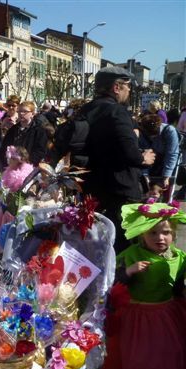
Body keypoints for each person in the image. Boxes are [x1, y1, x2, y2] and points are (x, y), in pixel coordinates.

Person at [103, 202, 185, 369]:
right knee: (140, 360)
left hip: (166, 315)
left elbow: (178, 285)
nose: (160, 238)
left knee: (167, 357)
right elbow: (110, 281)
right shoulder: (132, 254)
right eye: (153, 233)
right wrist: (129, 272)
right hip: (139, 317)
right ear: (142, 236)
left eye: (166, 232)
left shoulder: (179, 256)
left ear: (173, 234)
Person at [80, 66, 156, 252]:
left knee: (95, 244)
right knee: (121, 246)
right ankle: (119, 281)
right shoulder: (117, 111)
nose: (129, 90)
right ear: (116, 87)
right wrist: (143, 157)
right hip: (120, 190)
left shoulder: (85, 109)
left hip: (92, 188)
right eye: (127, 86)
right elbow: (130, 152)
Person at [0, 146, 34, 257]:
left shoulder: (26, 174)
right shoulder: (8, 171)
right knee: (3, 234)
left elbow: (25, 194)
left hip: (16, 211)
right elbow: (2, 190)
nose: (8, 160)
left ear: (18, 160)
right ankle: (1, 254)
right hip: (6, 209)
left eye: (11, 158)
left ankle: (8, 257)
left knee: (11, 238)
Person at [138, 114, 181, 202]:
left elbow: (172, 154)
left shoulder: (169, 131)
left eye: (154, 135)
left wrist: (166, 176)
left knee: (162, 185)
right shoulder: (143, 132)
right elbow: (144, 154)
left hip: (165, 161)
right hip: (150, 161)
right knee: (143, 184)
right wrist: (145, 175)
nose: (152, 137)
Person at [0, 101, 48, 166]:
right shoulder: (13, 130)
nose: (21, 113)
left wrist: (26, 163)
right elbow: (4, 148)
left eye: (25, 111)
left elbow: (40, 151)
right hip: (12, 166)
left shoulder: (39, 131)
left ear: (32, 113)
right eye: (19, 111)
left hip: (29, 167)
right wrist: (7, 163)